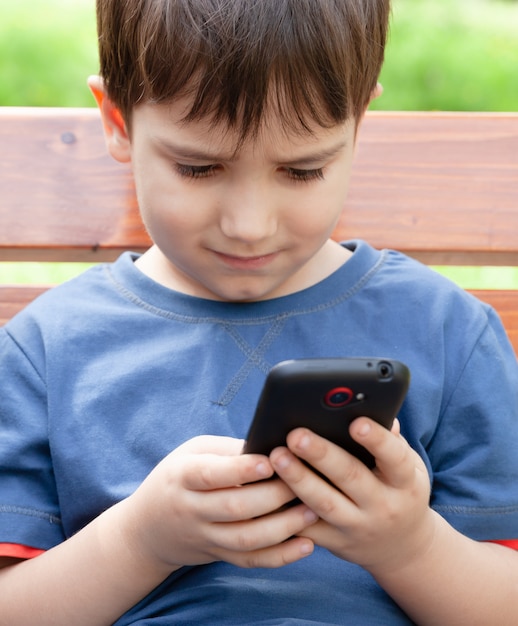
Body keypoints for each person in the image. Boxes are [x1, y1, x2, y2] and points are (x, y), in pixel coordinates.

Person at [1, 0, 518, 623]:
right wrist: (139, 541)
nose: (248, 225)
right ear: (117, 121)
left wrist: (411, 547)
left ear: (359, 125)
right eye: (198, 167)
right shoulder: (49, 348)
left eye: (302, 171)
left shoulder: (447, 332)